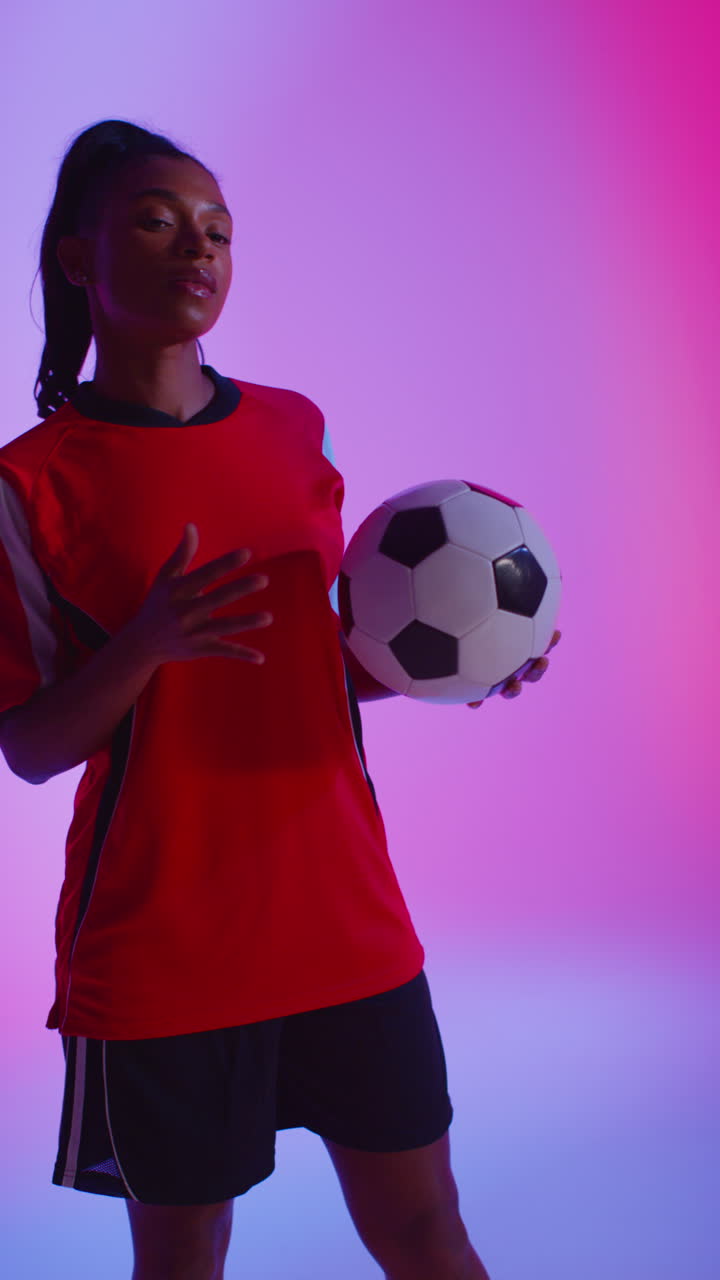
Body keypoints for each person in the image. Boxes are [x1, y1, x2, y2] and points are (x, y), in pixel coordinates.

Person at [0, 119, 559, 1280]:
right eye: (155, 219)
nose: (194, 249)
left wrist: (455, 660)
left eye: (215, 230)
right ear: (75, 258)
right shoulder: (31, 482)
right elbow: (34, 745)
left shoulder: (292, 426)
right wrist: (147, 643)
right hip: (166, 942)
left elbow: (302, 668)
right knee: (186, 1259)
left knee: (423, 1232)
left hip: (344, 916)